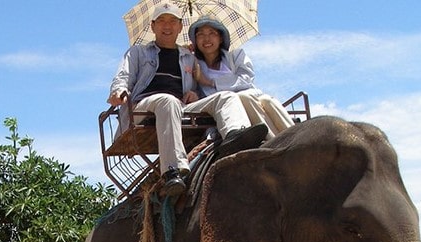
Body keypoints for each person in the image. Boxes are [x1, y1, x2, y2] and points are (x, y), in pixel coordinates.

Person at [108, 3, 268, 197]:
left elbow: (193, 88)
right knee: (167, 100)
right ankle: (173, 171)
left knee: (226, 96)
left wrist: (194, 94)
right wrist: (119, 91)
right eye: (161, 21)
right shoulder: (137, 52)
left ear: (180, 26)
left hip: (180, 108)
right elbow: (122, 78)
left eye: (172, 21)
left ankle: (236, 137)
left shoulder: (188, 58)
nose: (167, 26)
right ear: (153, 26)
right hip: (145, 106)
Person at [189, 16, 294, 139]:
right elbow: (196, 94)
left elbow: (246, 78)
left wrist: (210, 82)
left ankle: (295, 136)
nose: (206, 39)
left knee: (267, 100)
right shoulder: (193, 64)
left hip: (252, 99)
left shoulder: (236, 55)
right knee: (242, 97)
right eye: (200, 35)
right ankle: (276, 141)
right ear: (195, 40)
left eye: (212, 33)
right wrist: (185, 54)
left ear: (221, 38)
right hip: (225, 111)